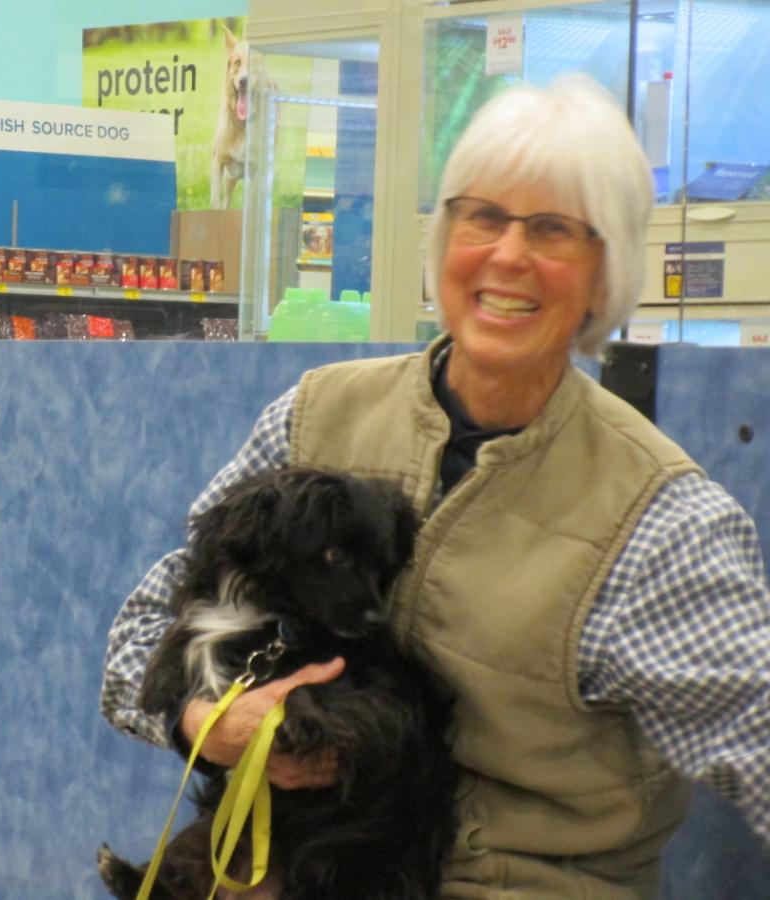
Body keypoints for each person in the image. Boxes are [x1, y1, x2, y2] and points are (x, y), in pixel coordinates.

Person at [100, 74, 770, 898]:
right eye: (482, 216)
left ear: (606, 275)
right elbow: (141, 634)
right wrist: (202, 722)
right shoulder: (312, 420)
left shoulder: (659, 521)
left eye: (553, 229)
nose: (509, 255)